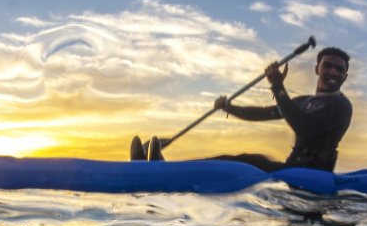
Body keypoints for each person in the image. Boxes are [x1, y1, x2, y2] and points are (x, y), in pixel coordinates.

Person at [130, 47, 352, 171]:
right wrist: (229, 107)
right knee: (240, 158)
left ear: (345, 76)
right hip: (289, 170)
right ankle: (164, 168)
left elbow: (304, 128)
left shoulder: (341, 106)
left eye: (339, 69)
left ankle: (165, 171)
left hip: (314, 178)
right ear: (317, 69)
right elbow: (264, 113)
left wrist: (277, 85)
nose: (333, 72)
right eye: (328, 66)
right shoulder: (303, 101)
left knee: (247, 161)